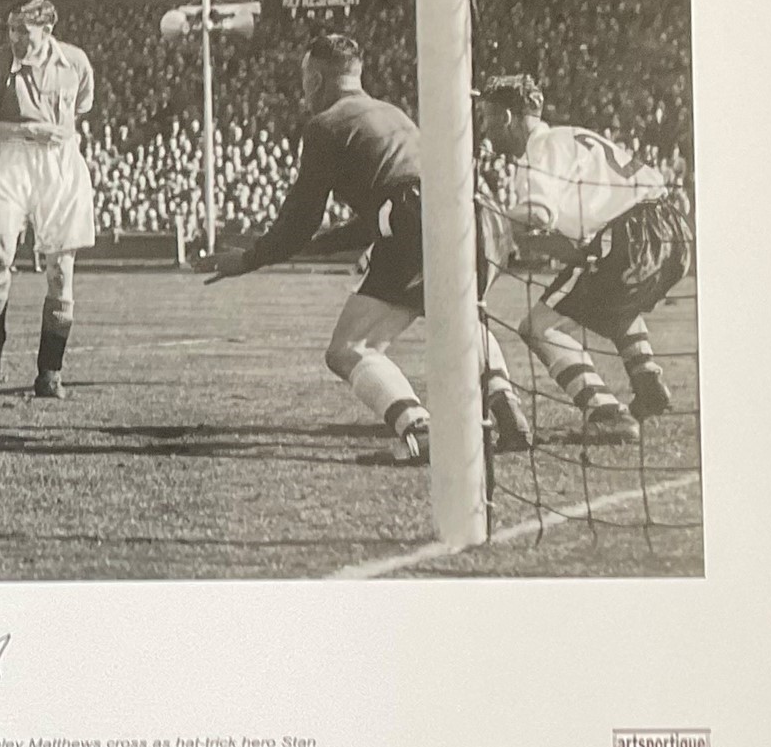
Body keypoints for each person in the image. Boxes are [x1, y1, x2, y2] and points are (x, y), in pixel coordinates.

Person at [203, 35, 529, 464]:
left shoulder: (326, 125)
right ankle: (507, 411)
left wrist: (248, 258)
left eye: (304, 78)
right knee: (457, 316)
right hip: (483, 218)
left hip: (418, 217)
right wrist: (320, 246)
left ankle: (421, 432)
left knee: (349, 349)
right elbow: (381, 213)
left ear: (316, 79)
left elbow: (303, 219)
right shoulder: (391, 114)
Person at [476, 74, 692, 442]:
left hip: (631, 236)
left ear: (507, 117)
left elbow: (538, 215)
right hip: (674, 233)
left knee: (537, 327)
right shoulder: (572, 135)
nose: (484, 127)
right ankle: (647, 380)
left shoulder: (538, 151)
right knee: (609, 294)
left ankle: (606, 412)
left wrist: (496, 214)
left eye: (486, 116)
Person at [0, 0, 95, 399]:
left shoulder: (76, 62)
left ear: (47, 29)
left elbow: (83, 107)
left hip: (59, 164)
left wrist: (52, 135)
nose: (15, 37)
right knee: (0, 254)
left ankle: (49, 372)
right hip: (12, 159)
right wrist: (25, 131)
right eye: (11, 29)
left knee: (61, 270)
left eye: (24, 30)